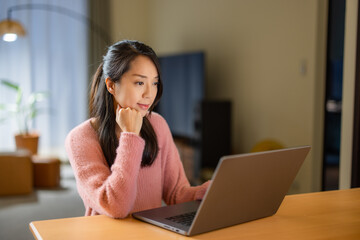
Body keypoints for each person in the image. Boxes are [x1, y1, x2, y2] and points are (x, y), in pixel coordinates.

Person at [65, 40, 210, 219]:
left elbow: (176, 194)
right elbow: (115, 206)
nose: (149, 94)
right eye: (140, 83)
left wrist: (205, 191)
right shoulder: (80, 138)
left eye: (155, 83)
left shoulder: (157, 125)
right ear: (111, 85)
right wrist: (130, 136)